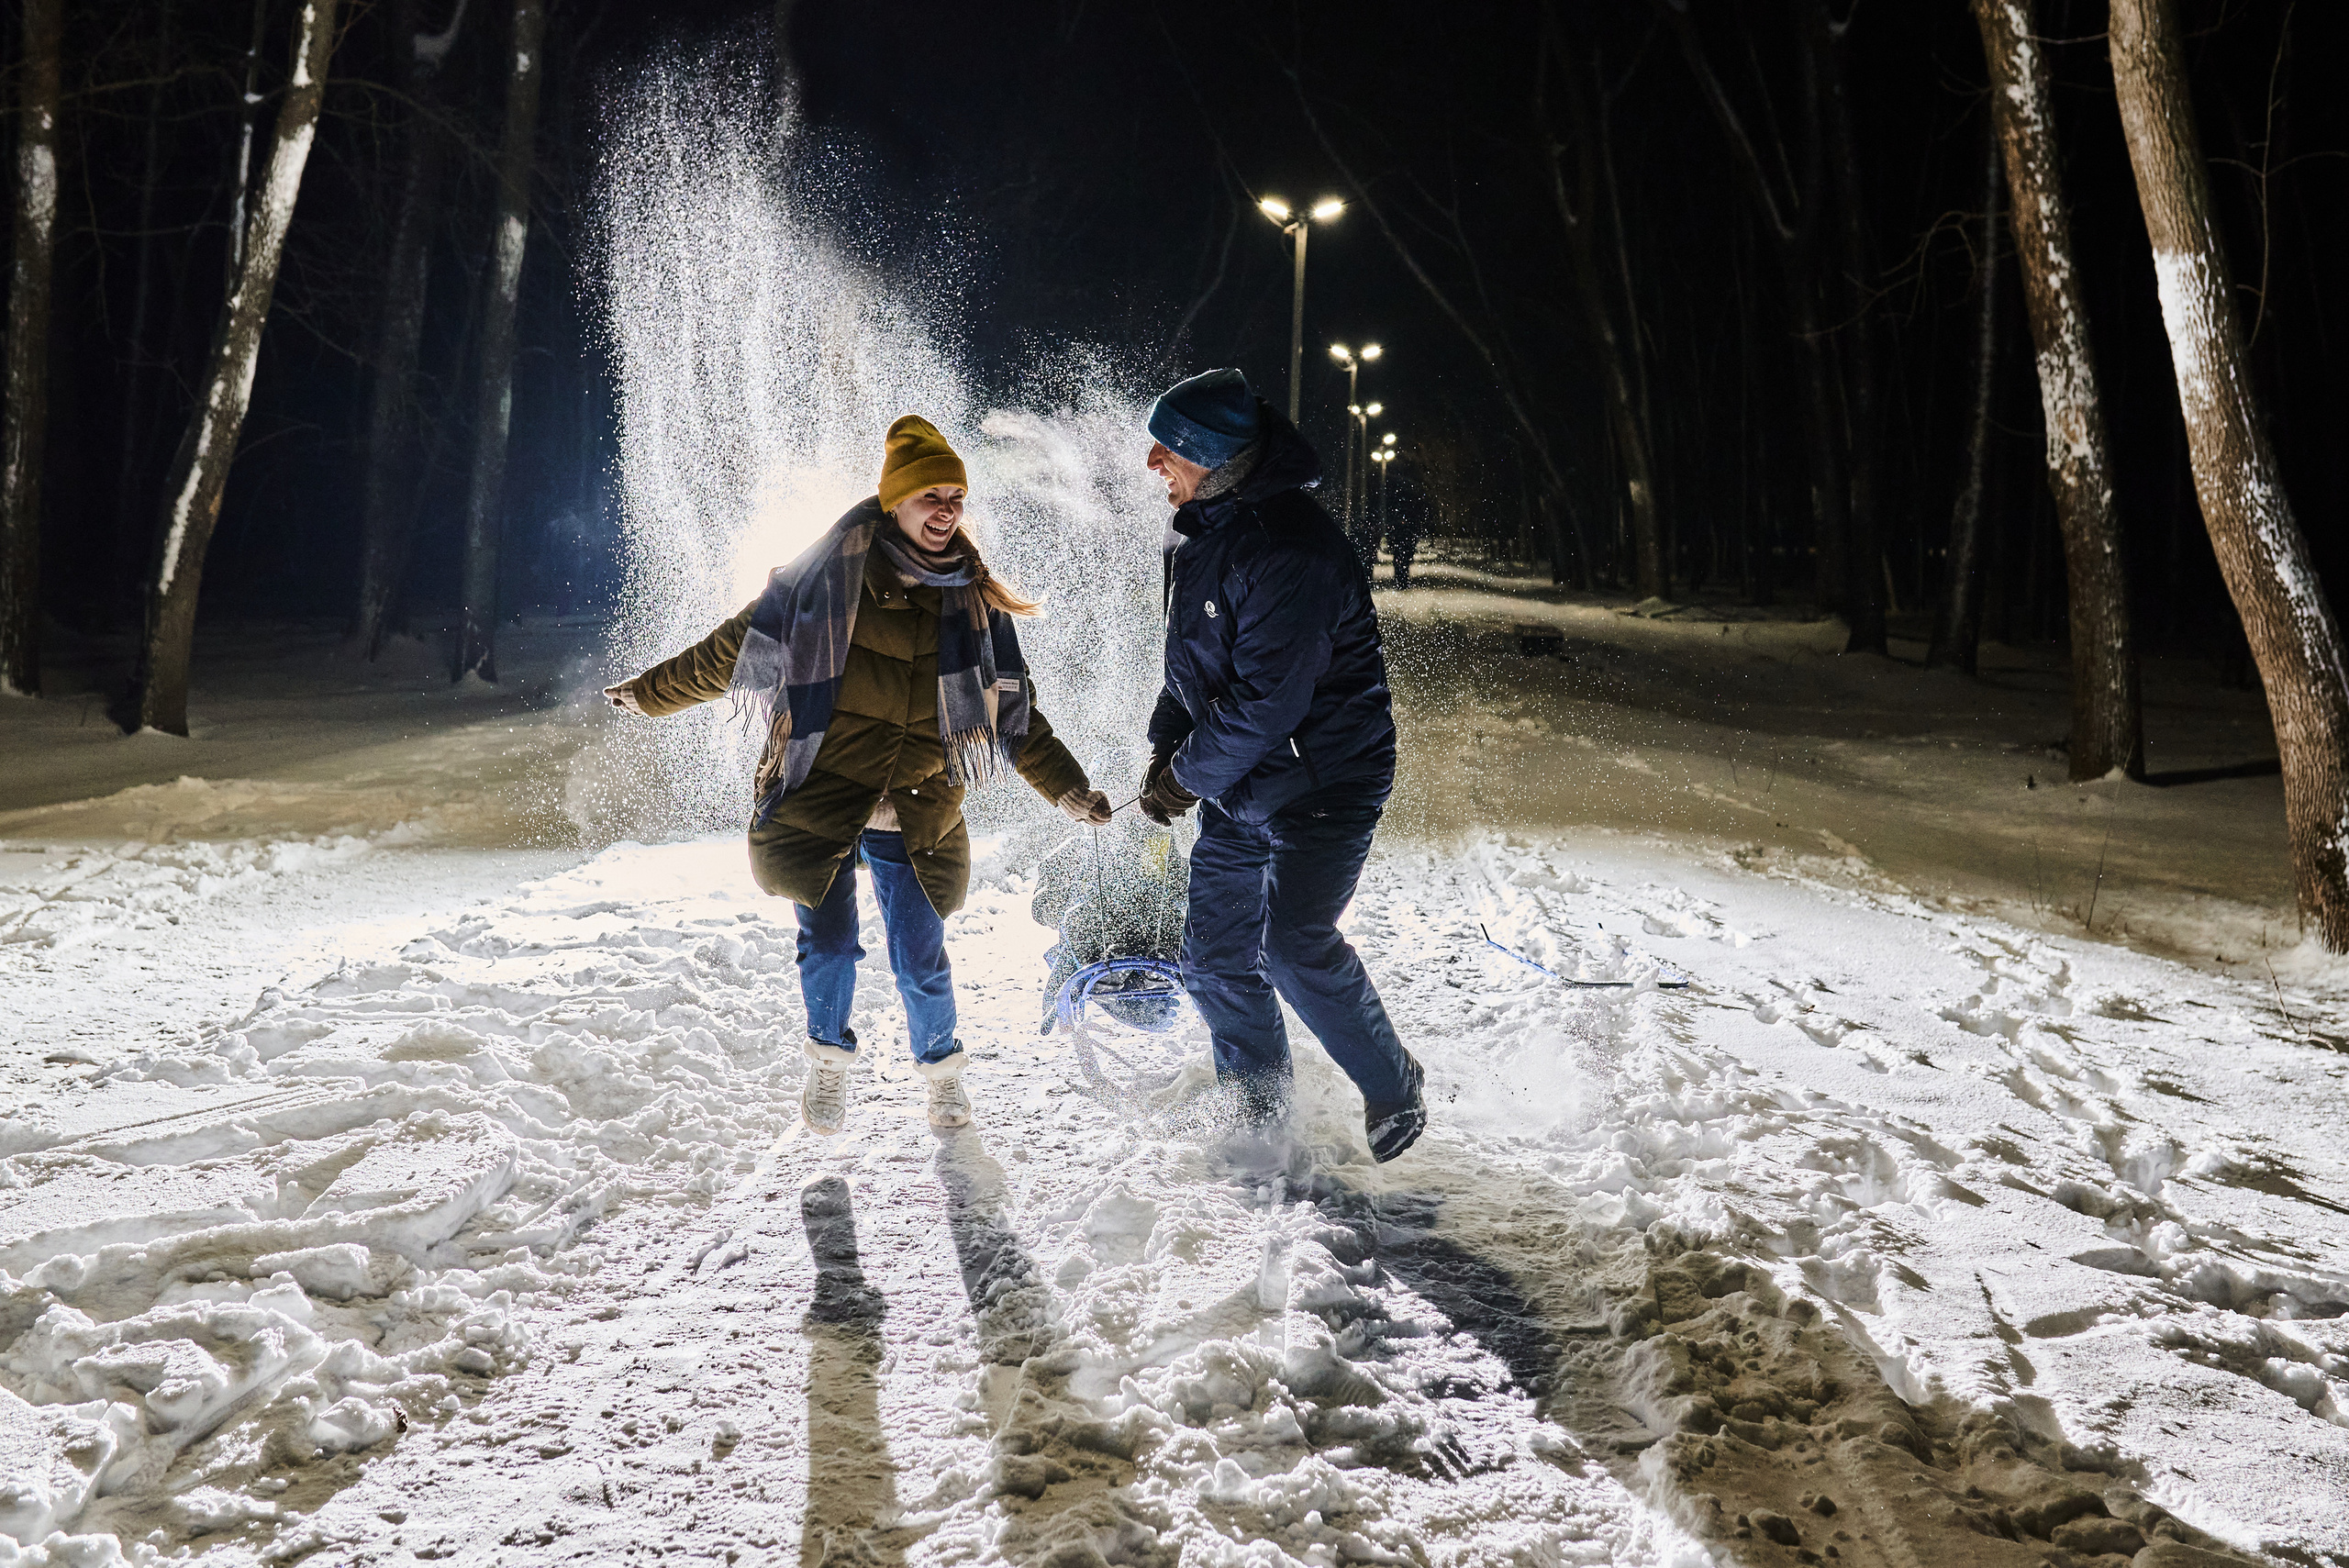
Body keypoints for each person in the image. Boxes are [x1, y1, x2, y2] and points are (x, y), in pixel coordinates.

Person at [604, 417, 1113, 1135]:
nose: (945, 510)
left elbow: (1014, 715)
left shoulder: (971, 598)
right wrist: (650, 692)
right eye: (930, 495)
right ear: (894, 502)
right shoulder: (822, 579)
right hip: (822, 791)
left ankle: (941, 1074)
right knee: (832, 945)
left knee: (919, 957)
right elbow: (727, 653)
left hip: (918, 804)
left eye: (956, 497)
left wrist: (1068, 788)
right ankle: (828, 1061)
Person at [1133, 368, 1427, 1162]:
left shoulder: (1291, 550)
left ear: (1213, 455)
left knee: (1293, 945)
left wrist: (1185, 777)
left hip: (1325, 780)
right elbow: (1194, 669)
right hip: (1243, 782)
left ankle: (1394, 1082)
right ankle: (1260, 1112)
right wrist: (1168, 741)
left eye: (1169, 448)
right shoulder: (1198, 531)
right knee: (1215, 957)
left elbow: (1267, 703)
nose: (1153, 461)